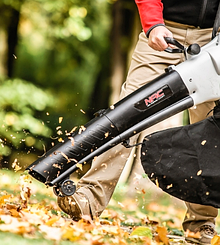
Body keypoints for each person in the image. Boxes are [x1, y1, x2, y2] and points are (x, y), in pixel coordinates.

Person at [57, 0, 220, 244]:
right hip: (163, 32)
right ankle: (89, 199)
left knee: (209, 131)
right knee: (127, 115)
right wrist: (153, 23)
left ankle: (201, 224)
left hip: (213, 41)